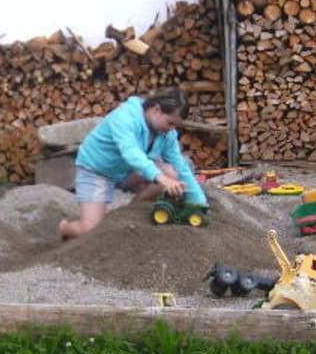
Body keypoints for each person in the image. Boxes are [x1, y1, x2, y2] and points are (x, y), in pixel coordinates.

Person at [58, 86, 208, 240]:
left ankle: (129, 215)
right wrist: (162, 179)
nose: (172, 130)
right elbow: (131, 153)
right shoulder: (125, 117)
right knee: (90, 230)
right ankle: (65, 228)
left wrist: (198, 203)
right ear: (157, 109)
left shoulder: (167, 134)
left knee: (172, 173)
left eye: (176, 125)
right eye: (170, 123)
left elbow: (180, 166)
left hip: (127, 171)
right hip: (97, 171)